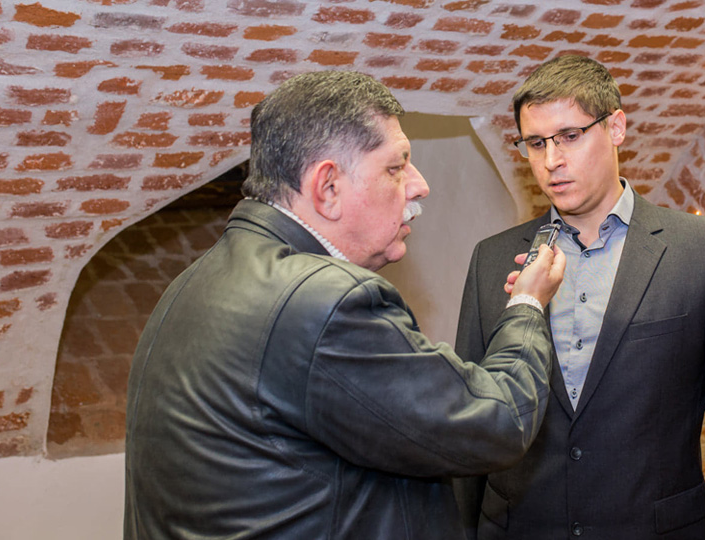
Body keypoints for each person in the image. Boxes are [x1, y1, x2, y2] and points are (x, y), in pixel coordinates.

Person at [123, 70, 566, 540]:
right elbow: (497, 423)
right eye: (396, 167)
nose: (419, 185)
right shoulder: (328, 304)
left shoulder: (191, 283)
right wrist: (527, 304)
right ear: (328, 187)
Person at [454, 55, 705, 539]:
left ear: (616, 128)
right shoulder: (492, 259)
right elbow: (471, 424)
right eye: (536, 143)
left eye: (570, 136)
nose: (551, 161)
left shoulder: (702, 252)